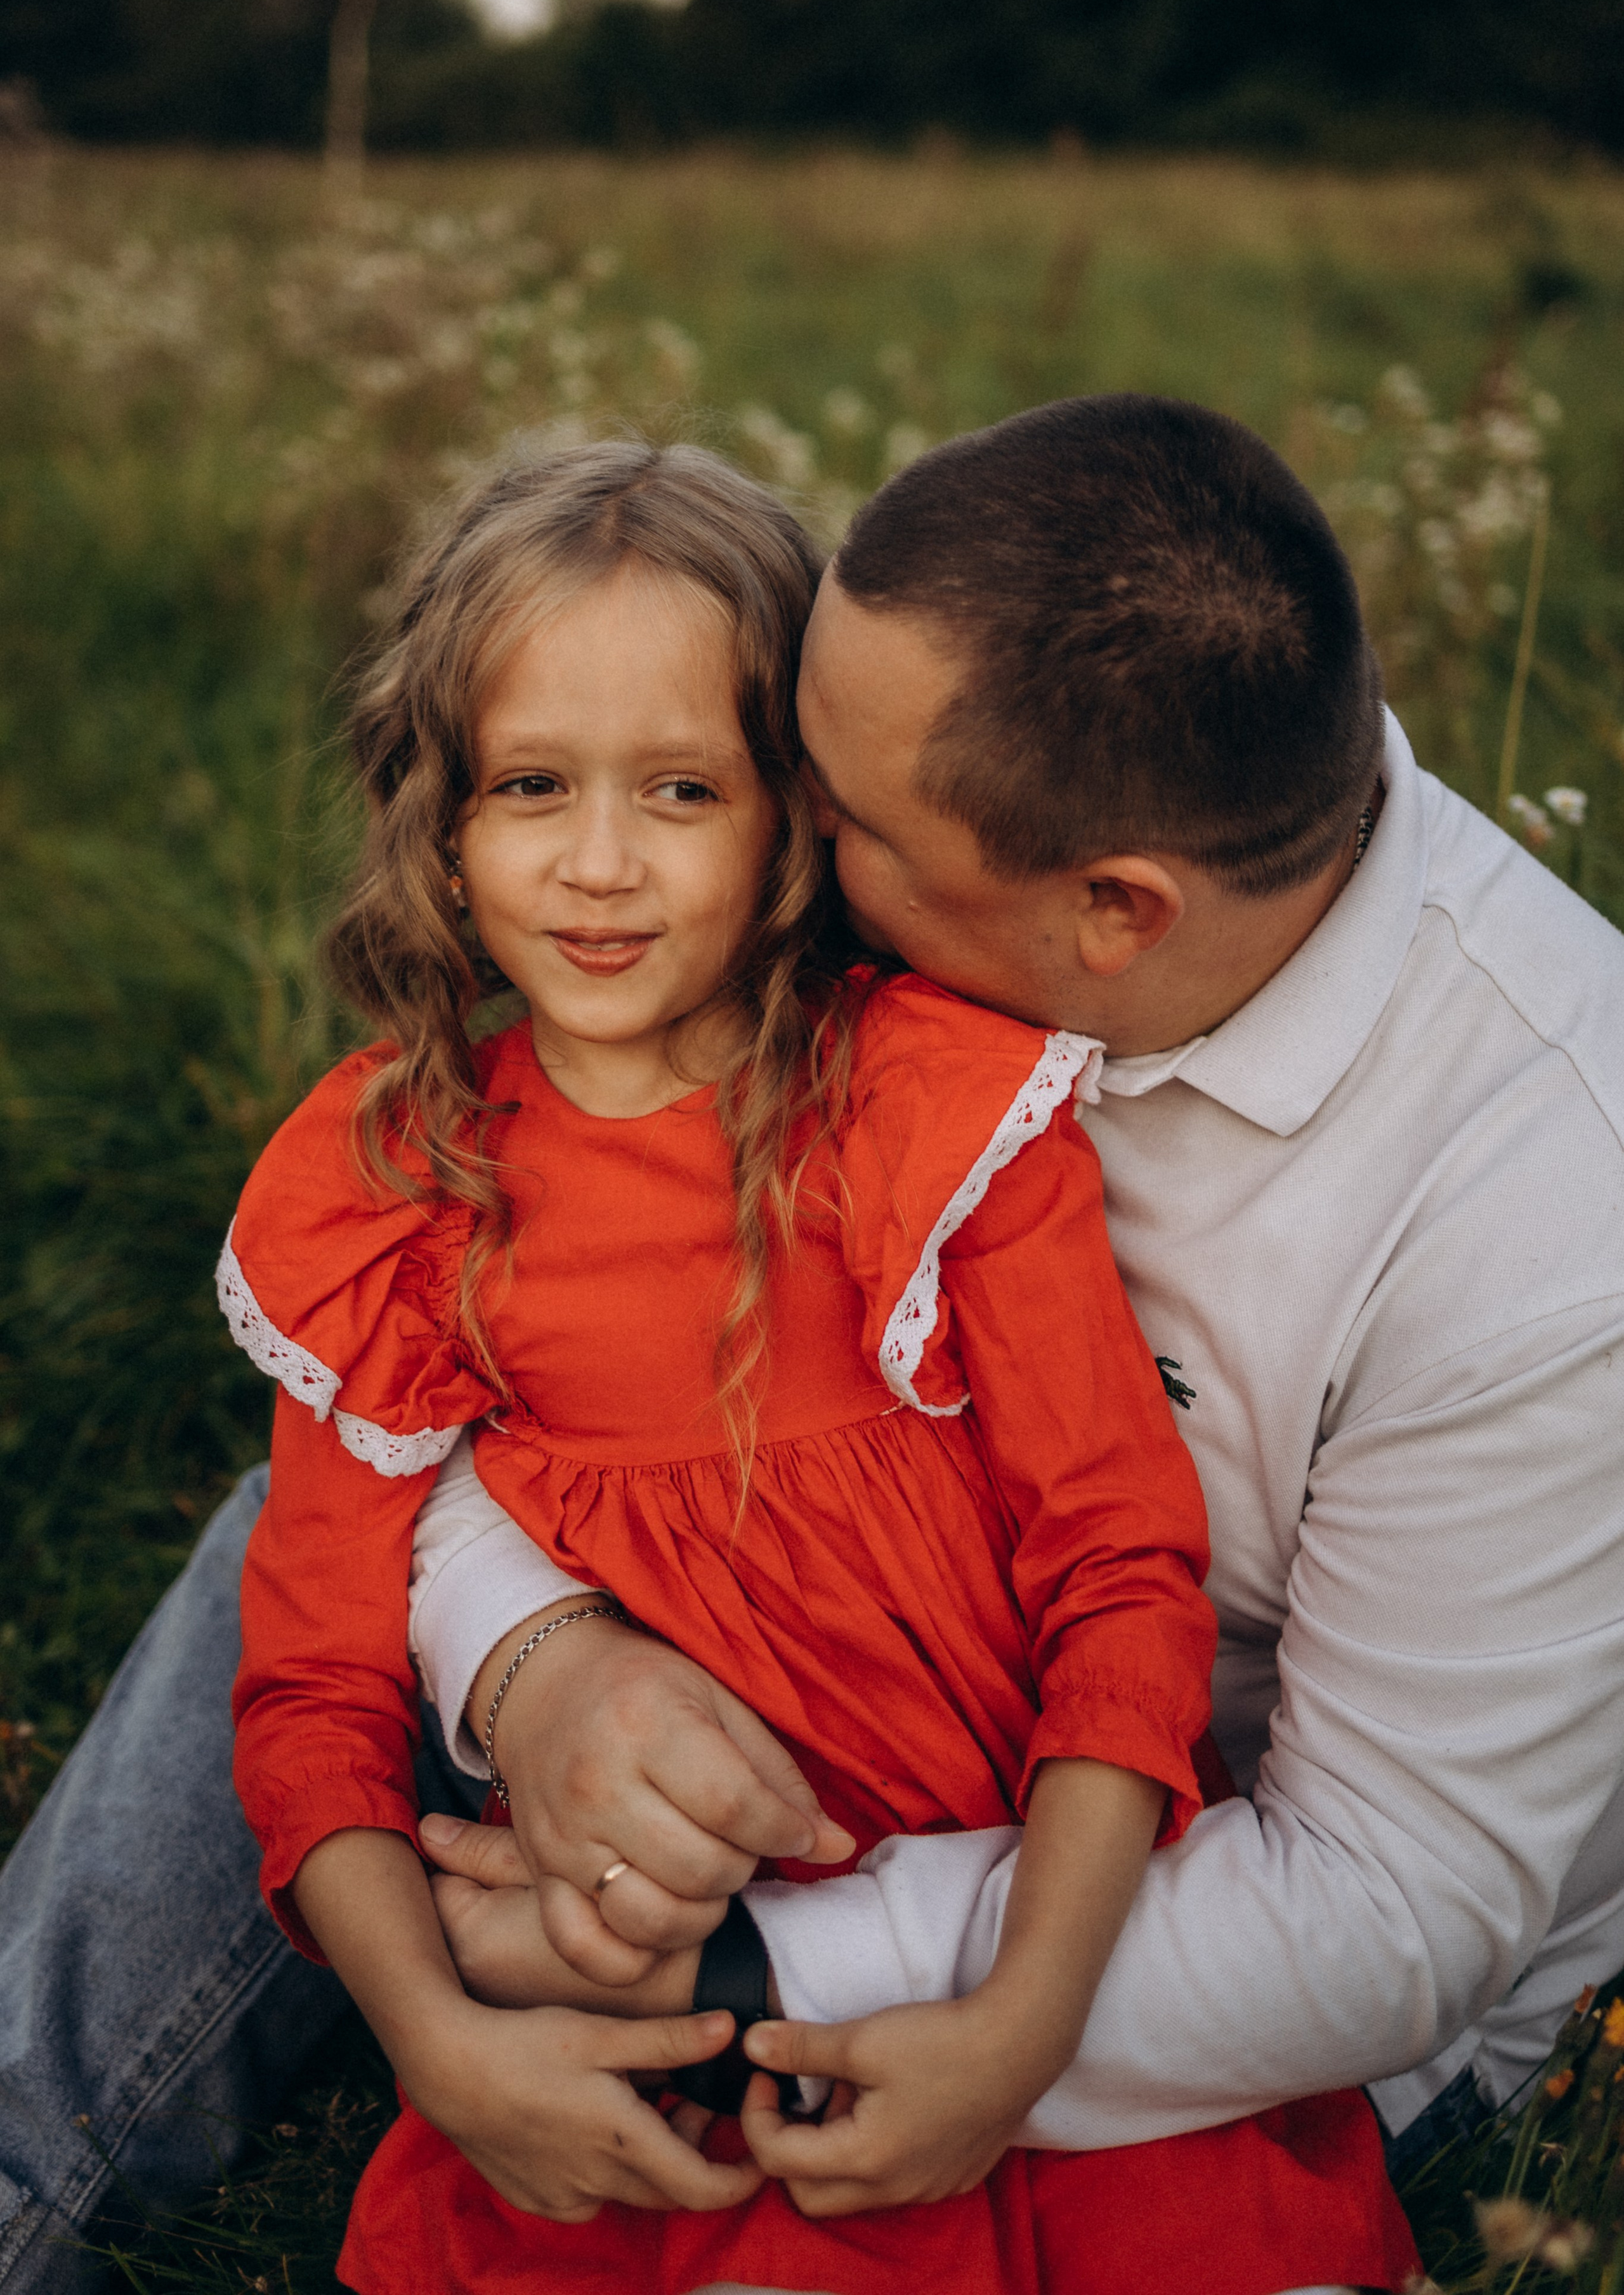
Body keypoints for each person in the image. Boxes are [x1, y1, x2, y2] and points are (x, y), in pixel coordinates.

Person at [0, 393, 1616, 2290]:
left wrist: (723, 1968)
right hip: (698, 1677)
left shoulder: (1554, 1218)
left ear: (1114, 913)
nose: (690, 866)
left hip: (1165, 1906)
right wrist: (538, 1663)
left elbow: (1378, 1917)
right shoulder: (960, 803)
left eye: (813, 818)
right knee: (291, 1550)